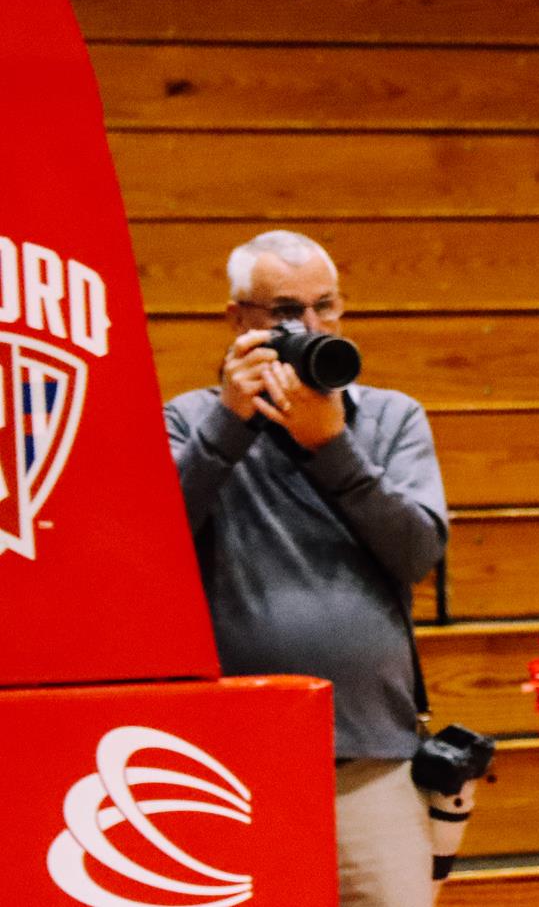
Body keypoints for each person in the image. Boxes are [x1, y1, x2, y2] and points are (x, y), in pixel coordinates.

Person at [165, 229, 446, 907]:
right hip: (230, 763)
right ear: (238, 320)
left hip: (371, 761)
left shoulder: (391, 418)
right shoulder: (191, 419)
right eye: (287, 312)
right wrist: (227, 427)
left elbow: (417, 553)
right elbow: (152, 547)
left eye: (326, 306)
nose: (312, 328)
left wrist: (332, 446)